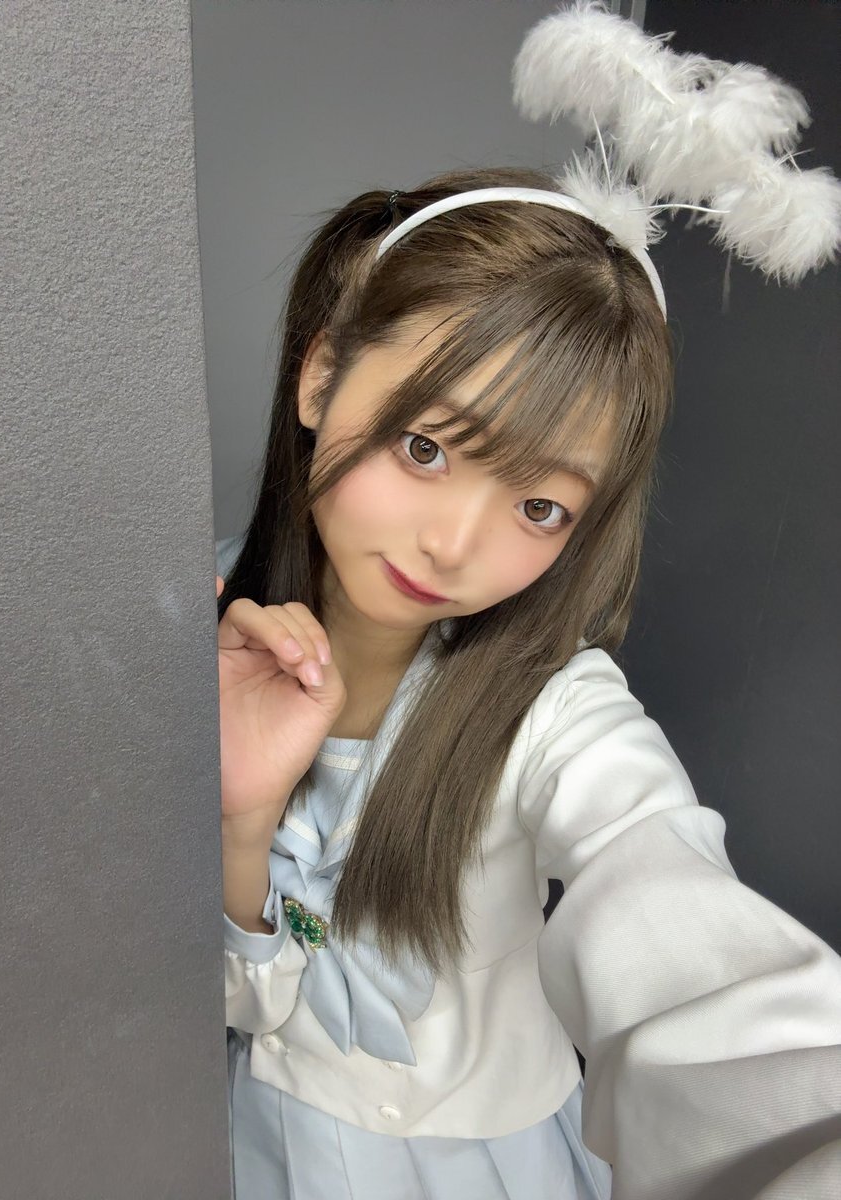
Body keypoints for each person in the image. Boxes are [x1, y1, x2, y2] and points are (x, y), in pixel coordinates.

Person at [214, 11, 841, 1199]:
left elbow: (674, 921)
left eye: (541, 506)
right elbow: (232, 1002)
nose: (454, 546)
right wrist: (243, 823)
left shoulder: (556, 715)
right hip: (266, 1153)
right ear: (321, 373)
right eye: (427, 446)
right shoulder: (212, 637)